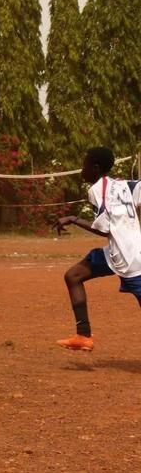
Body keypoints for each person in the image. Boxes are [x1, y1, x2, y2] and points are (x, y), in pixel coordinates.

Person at [53, 146, 141, 352]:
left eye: (84, 164)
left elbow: (103, 229)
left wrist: (73, 218)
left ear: (95, 167)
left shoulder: (96, 190)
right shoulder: (124, 185)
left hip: (129, 261)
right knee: (73, 275)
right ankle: (83, 335)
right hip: (117, 253)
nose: (81, 169)